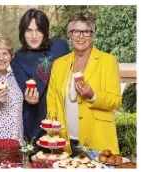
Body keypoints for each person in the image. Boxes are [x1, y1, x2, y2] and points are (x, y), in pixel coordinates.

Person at [47, 10, 121, 156]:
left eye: (86, 32)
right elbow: (52, 103)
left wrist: (93, 95)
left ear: (92, 35)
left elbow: (116, 100)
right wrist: (52, 137)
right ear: (69, 35)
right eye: (76, 32)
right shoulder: (58, 64)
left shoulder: (108, 61)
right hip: (65, 142)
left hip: (98, 143)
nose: (81, 36)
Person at [11, 8, 70, 141]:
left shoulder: (61, 47)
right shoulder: (17, 59)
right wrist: (29, 97)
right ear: (22, 32)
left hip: (61, 117)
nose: (34, 36)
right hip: (34, 121)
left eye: (38, 30)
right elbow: (24, 89)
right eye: (29, 30)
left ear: (45, 30)